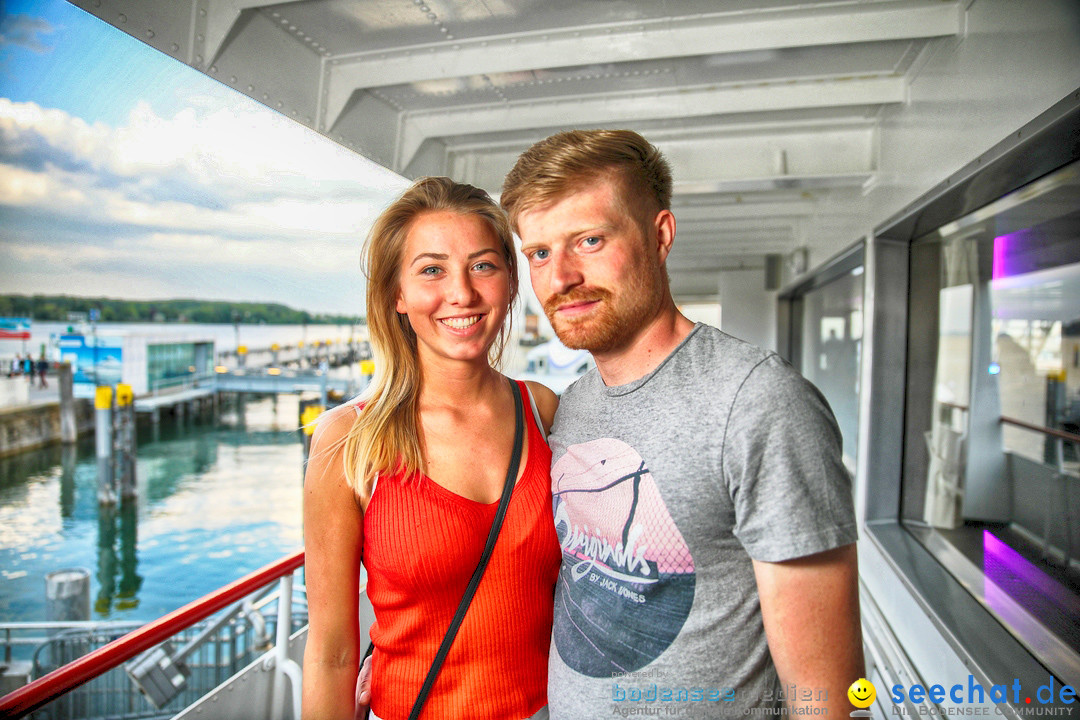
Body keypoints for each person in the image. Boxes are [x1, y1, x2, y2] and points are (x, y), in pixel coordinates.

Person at [498, 130, 864, 719]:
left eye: (589, 240)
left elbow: (829, 694)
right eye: (539, 253)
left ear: (660, 235)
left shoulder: (758, 402)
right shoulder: (574, 405)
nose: (560, 277)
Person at [302, 177, 560, 720]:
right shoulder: (349, 440)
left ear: (511, 283)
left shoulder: (544, 411)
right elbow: (331, 653)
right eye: (432, 269)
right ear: (398, 293)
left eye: (483, 265)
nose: (462, 293)